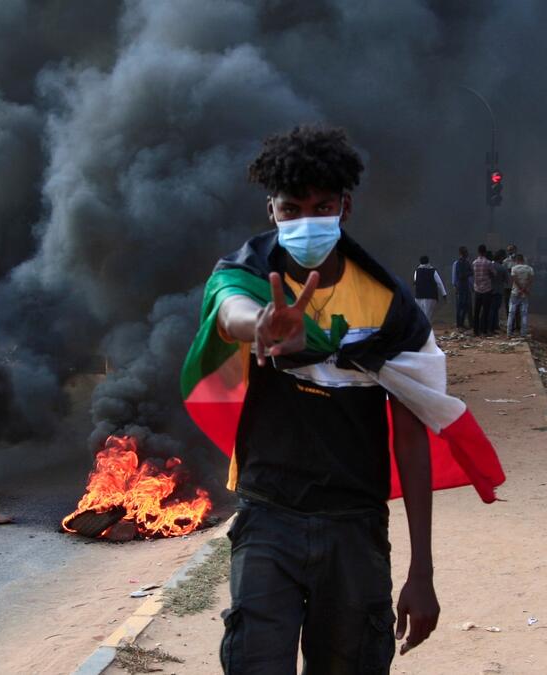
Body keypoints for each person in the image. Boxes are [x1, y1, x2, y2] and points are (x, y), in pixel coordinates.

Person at [179, 125, 505, 673]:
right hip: (268, 517)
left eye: (321, 206)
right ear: (271, 211)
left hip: (354, 524)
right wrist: (262, 323)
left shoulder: (388, 307)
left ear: (345, 208)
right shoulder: (250, 274)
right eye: (291, 209)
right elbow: (229, 307)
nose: (306, 221)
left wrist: (421, 572)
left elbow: (411, 434)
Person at [413, 255, 448, 322]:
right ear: (428, 261)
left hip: (419, 296)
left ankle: (422, 330)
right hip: (430, 296)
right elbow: (439, 283)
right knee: (427, 315)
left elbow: (415, 282)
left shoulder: (417, 271)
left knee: (421, 315)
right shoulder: (433, 271)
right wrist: (444, 294)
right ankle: (426, 330)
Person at [507, 254, 534, 338]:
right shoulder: (529, 269)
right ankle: (523, 334)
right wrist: (524, 289)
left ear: (517, 260)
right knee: (524, 314)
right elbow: (531, 280)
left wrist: (520, 289)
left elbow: (514, 280)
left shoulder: (514, 268)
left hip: (515, 293)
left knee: (511, 313)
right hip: (524, 294)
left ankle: (509, 333)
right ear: (523, 260)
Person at [472, 244, 494, 336]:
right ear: (485, 252)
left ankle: (475, 331)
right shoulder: (488, 263)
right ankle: (484, 330)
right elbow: (493, 274)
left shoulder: (474, 262)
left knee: (476, 311)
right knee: (485, 311)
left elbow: (473, 274)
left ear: (478, 252)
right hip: (487, 289)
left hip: (477, 289)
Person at [451, 246, 472, 330]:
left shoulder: (466, 262)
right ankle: (460, 324)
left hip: (464, 286)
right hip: (461, 286)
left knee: (465, 305)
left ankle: (463, 323)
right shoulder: (458, 263)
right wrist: (455, 286)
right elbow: (456, 276)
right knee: (461, 306)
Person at [488, 251, 507, 335]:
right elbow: (506, 280)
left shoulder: (489, 265)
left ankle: (492, 326)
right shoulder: (502, 268)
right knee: (495, 309)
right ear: (500, 258)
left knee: (490, 309)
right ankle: (492, 327)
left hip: (489, 290)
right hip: (498, 290)